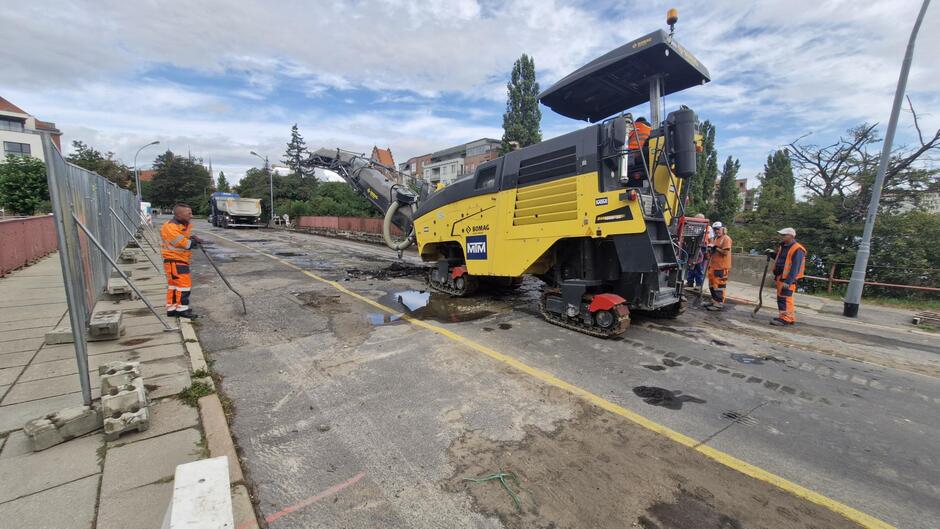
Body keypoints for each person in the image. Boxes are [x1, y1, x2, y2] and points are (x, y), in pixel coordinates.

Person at [160, 203, 203, 319]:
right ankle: (182, 310)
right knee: (184, 286)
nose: (191, 216)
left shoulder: (181, 225)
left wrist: (192, 238)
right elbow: (182, 243)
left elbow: (184, 238)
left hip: (177, 260)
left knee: (174, 286)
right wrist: (192, 242)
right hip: (175, 260)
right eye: (188, 213)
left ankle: (172, 308)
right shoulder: (170, 227)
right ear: (179, 214)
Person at [768, 227, 806, 326]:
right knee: (781, 298)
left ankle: (787, 318)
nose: (782, 237)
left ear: (791, 236)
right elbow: (781, 259)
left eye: (784, 235)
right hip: (780, 277)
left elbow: (795, 267)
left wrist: (788, 281)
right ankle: (783, 317)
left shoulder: (797, 249)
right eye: (782, 235)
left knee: (786, 298)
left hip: (788, 279)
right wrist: (772, 254)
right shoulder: (784, 246)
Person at [704, 221, 732, 311]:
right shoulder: (716, 238)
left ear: (723, 229)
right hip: (713, 265)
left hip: (721, 267)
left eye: (718, 229)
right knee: (712, 285)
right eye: (715, 229)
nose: (716, 231)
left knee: (719, 286)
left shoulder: (726, 239)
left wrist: (716, 248)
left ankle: (719, 303)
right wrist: (710, 249)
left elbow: (725, 252)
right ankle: (714, 301)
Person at [686, 213, 709, 288]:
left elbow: (707, 240)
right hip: (692, 248)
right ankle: (690, 282)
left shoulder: (706, 228)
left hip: (700, 249)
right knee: (691, 266)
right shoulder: (691, 227)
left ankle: (699, 284)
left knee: (698, 267)